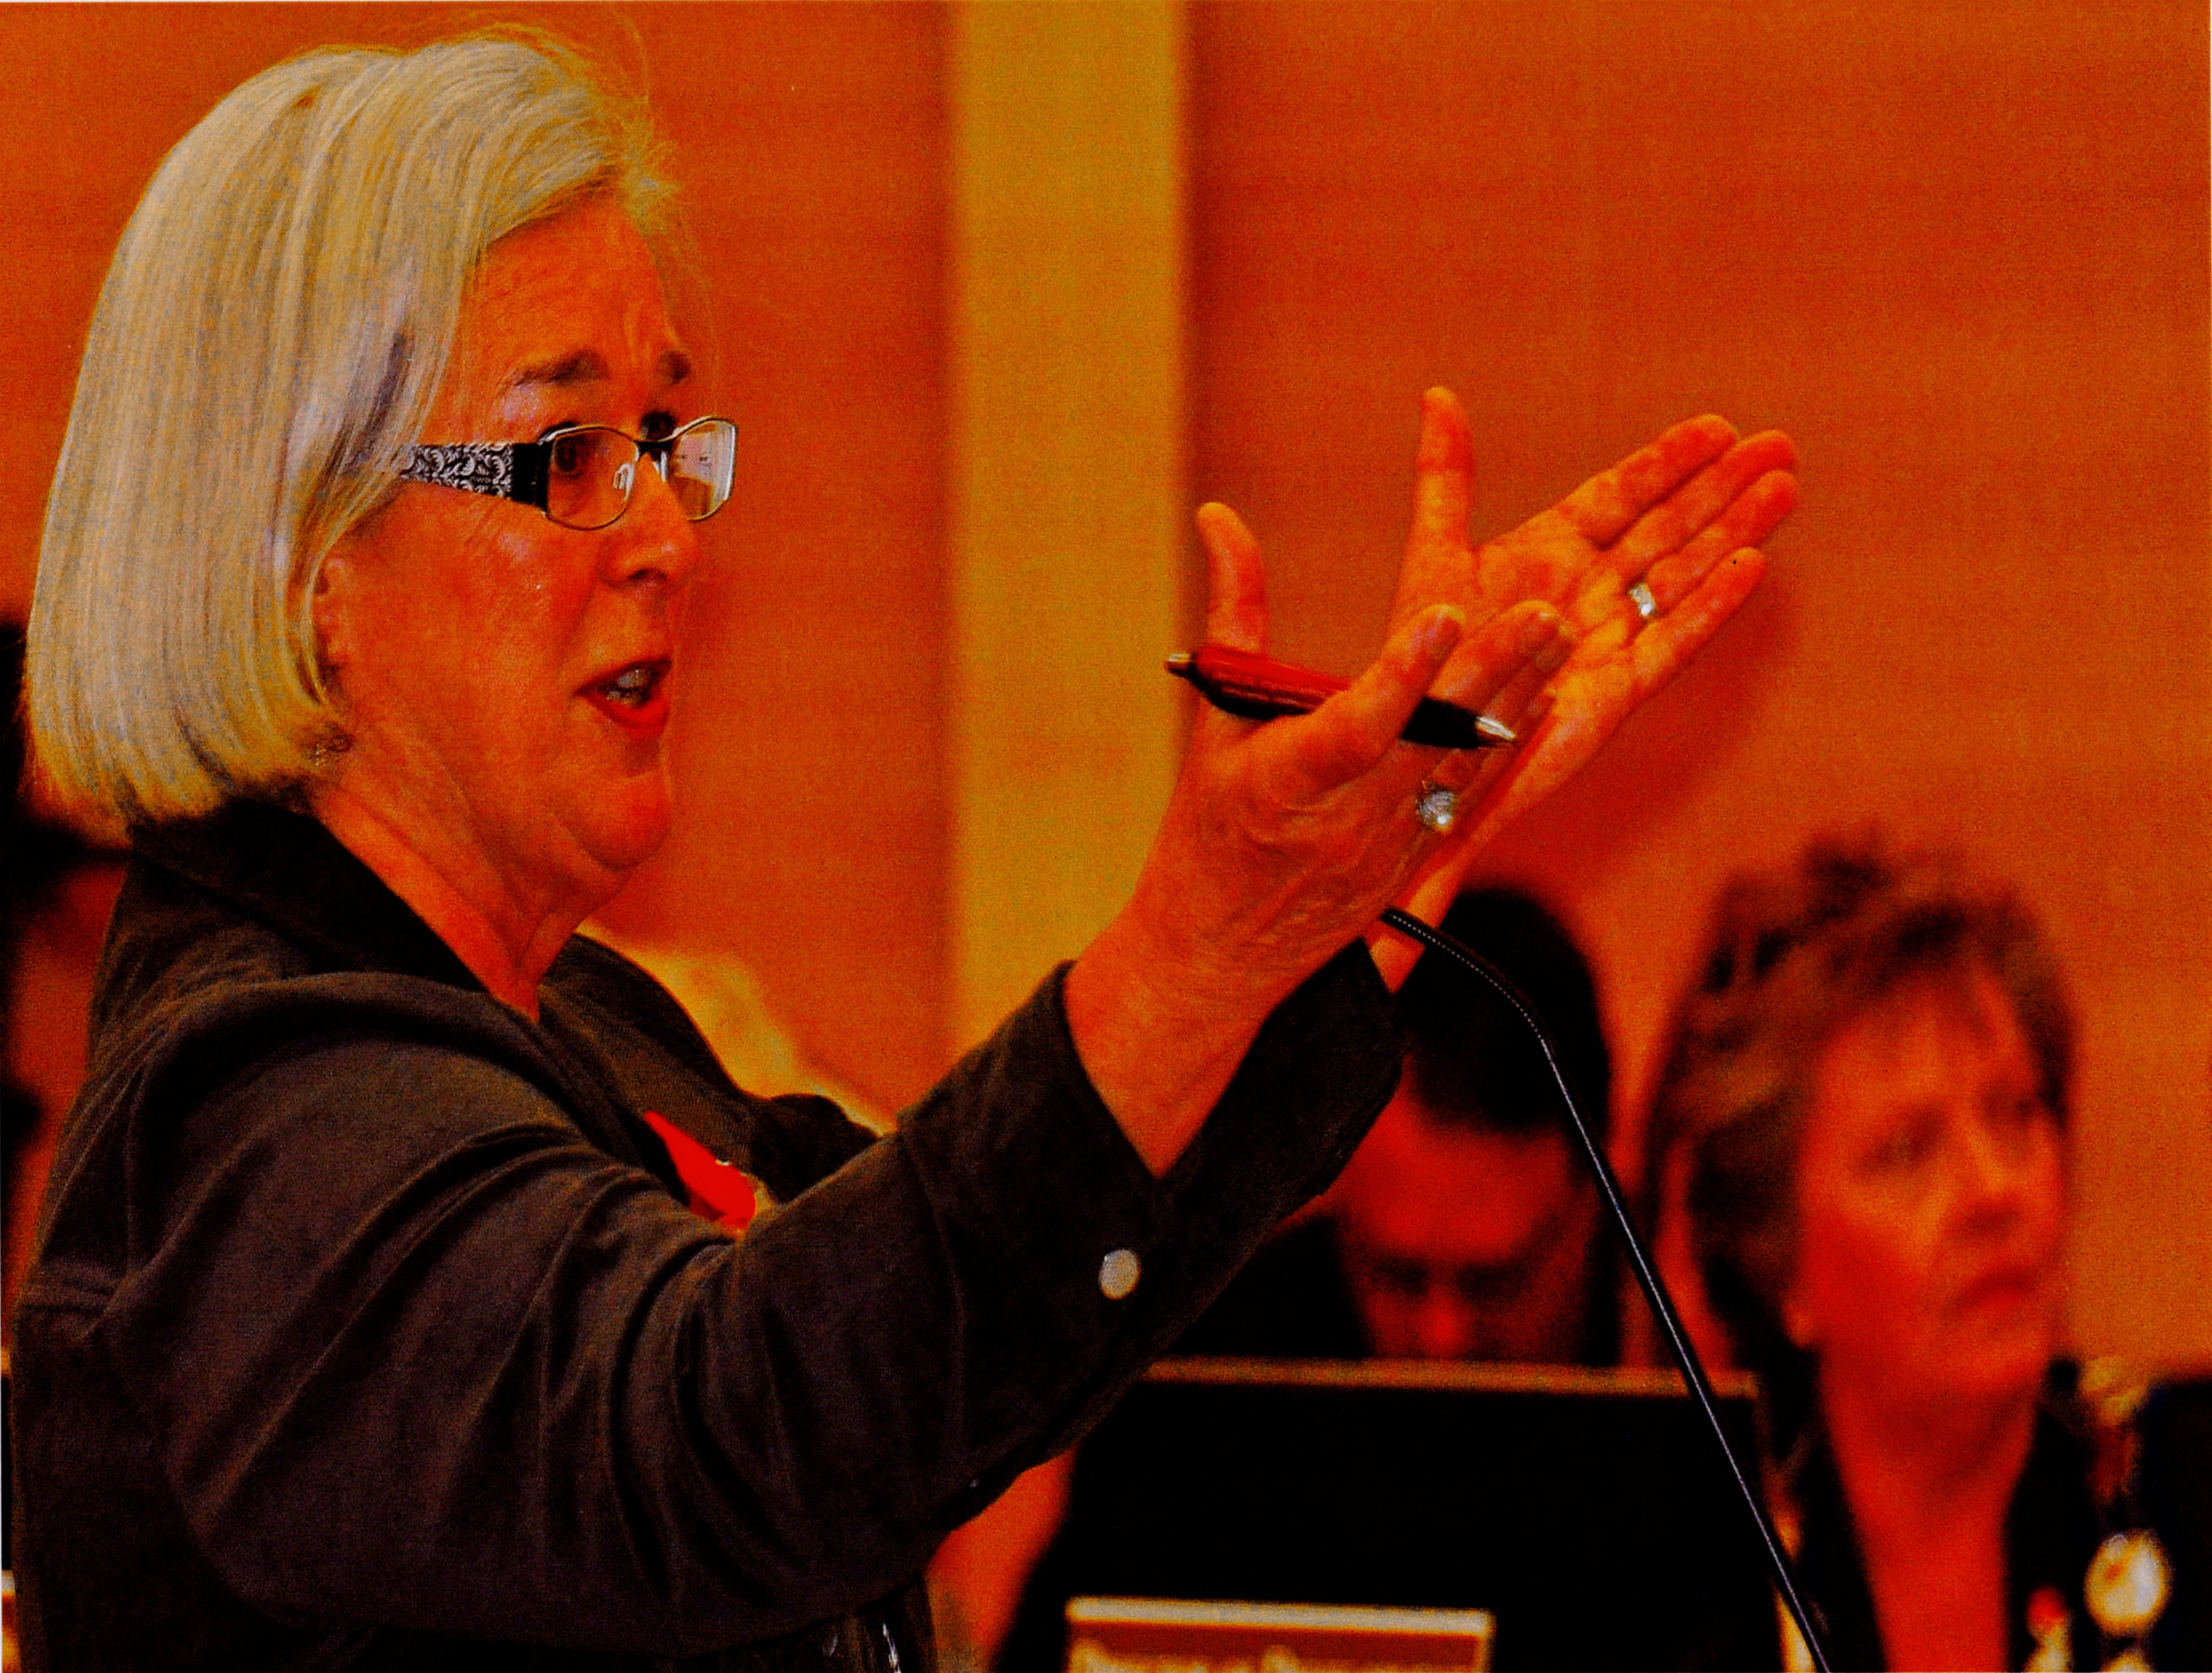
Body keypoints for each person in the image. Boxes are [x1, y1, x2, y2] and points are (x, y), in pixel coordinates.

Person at [11, 31, 1797, 1673]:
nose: (664, 533)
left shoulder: (582, 1030)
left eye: (663, 440)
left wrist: (1358, 873)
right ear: (305, 571)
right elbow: (734, 1431)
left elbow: (959, 1306)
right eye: (564, 453)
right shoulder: (255, 1126)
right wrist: (1200, 938)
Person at [1645, 835, 2209, 1672]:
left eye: (2015, 1114)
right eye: (1906, 1153)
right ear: (1780, 1263)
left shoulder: (2186, 1486)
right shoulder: (1683, 1593)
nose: (1993, 1192)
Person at [1177, 884, 1619, 1364]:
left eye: (1495, 1283)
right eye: (1398, 1277)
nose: (1443, 1340)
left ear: (1595, 1199)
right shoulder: (1225, 1348)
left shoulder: (1671, 1324)